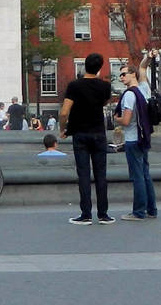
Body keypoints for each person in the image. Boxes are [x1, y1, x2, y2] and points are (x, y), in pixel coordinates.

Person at [59, 52, 114, 225]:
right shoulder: (105, 86)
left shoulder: (74, 86)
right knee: (101, 175)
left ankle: (86, 214)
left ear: (84, 66)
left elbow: (64, 112)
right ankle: (104, 214)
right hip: (98, 133)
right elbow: (104, 103)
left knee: (83, 174)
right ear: (100, 68)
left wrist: (63, 128)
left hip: (80, 133)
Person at [115, 65, 157, 221]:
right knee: (146, 175)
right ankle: (152, 209)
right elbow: (144, 68)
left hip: (133, 139)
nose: (121, 77)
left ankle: (138, 212)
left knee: (137, 176)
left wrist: (116, 119)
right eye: (120, 75)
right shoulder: (142, 91)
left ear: (133, 74)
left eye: (124, 74)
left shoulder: (129, 95)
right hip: (144, 137)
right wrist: (148, 58)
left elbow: (125, 120)